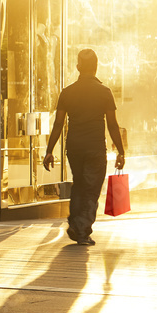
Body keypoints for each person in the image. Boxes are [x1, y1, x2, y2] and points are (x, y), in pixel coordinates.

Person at [43, 48, 125, 246]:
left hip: (74, 148)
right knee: (91, 189)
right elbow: (112, 125)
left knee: (79, 184)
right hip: (95, 148)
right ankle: (81, 230)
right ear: (96, 67)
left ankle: (75, 223)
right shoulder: (104, 92)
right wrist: (121, 151)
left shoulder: (67, 92)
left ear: (78, 67)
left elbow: (58, 124)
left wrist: (49, 151)